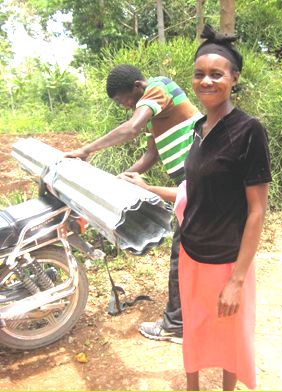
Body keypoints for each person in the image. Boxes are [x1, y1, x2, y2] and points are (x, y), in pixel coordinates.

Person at [118, 24, 271, 391]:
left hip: (227, 260)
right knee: (195, 330)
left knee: (230, 335)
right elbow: (191, 191)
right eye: (199, 74)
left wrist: (237, 280)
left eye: (216, 74)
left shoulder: (249, 131)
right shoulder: (198, 128)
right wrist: (147, 186)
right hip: (191, 253)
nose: (206, 81)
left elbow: (257, 210)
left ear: (234, 78)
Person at [62, 64, 203, 343]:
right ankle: (202, 310)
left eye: (124, 100)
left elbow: (131, 129)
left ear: (138, 87)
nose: (126, 107)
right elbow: (151, 155)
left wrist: (87, 149)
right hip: (189, 180)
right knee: (193, 250)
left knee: (182, 254)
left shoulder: (159, 87)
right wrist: (126, 177)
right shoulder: (154, 114)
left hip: (198, 176)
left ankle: (175, 325)